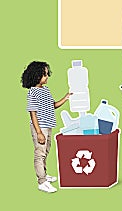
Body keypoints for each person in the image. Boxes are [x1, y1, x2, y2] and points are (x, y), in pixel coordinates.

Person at [21, 61, 72, 193]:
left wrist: (65, 98)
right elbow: (32, 114)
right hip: (40, 127)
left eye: (47, 74)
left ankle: (44, 174)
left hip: (48, 125)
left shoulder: (45, 90)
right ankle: (41, 181)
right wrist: (38, 132)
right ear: (36, 76)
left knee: (46, 152)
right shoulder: (33, 93)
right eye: (44, 74)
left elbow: (53, 105)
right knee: (40, 154)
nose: (47, 76)